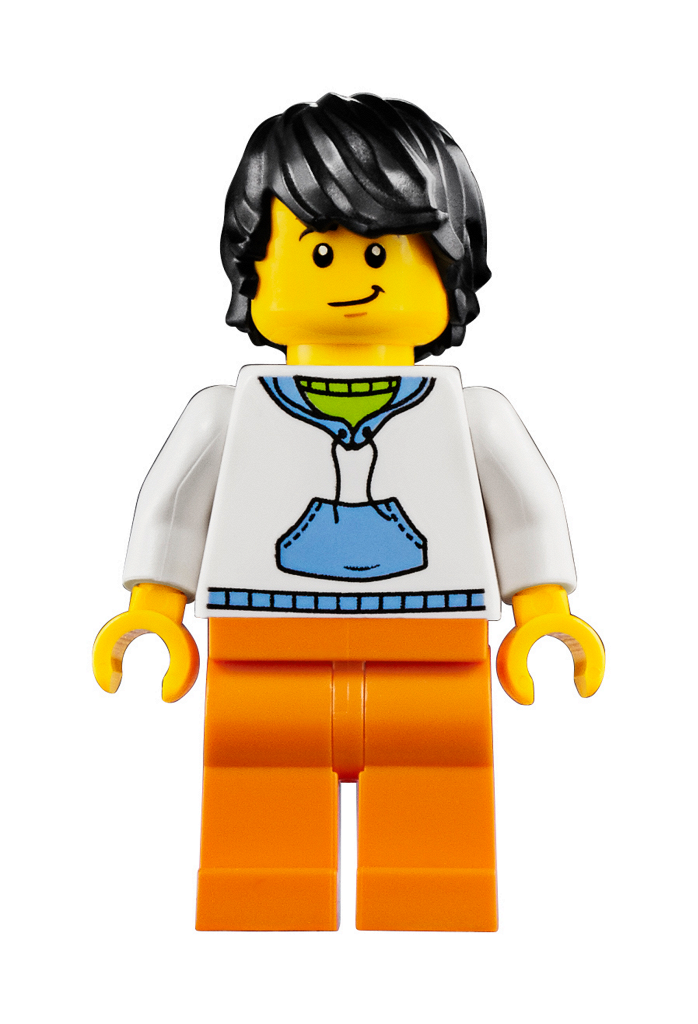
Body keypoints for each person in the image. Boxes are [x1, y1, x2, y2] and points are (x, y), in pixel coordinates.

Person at [93, 93, 604, 931]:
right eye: (319, 252)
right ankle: (262, 900)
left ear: (450, 267)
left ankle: (432, 901)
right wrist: (154, 605)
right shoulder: (227, 414)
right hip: (262, 651)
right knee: (256, 791)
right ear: (252, 271)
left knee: (439, 793)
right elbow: (174, 510)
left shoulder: (471, 416)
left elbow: (525, 511)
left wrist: (543, 608)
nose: (352, 280)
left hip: (433, 651)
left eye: (380, 252)